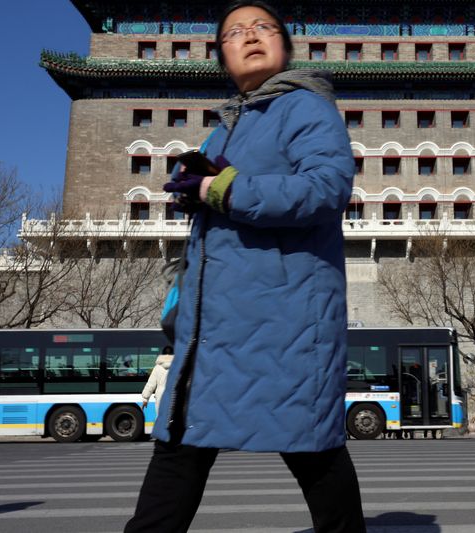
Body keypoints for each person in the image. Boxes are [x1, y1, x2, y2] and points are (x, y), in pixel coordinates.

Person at [124, 2, 365, 531]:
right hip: (213, 331)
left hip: (283, 323)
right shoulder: (225, 128)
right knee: (178, 451)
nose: (250, 36)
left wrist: (225, 189)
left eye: (263, 28)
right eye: (235, 32)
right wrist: (201, 191)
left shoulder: (306, 107)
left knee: (314, 453)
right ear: (221, 56)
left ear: (284, 45)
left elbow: (326, 189)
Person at [141, 346, 174, 416]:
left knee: (160, 416)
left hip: (160, 395)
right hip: (173, 394)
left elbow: (150, 384)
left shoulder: (157, 368)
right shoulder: (176, 367)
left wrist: (145, 399)